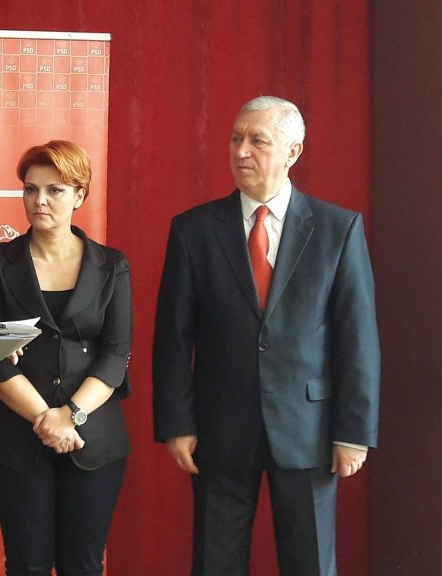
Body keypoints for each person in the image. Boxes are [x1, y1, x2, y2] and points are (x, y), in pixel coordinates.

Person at [152, 96, 380, 575]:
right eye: (236, 138)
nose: (241, 151)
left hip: (309, 429)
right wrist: (176, 422)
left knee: (310, 564)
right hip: (219, 428)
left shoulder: (338, 229)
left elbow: (357, 339)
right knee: (215, 563)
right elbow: (173, 338)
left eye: (258, 141)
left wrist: (354, 433)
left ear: (293, 151)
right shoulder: (194, 230)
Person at [0, 140, 131, 575]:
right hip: (15, 438)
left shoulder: (111, 266)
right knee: (27, 564)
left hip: (93, 437)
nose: (39, 200)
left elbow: (116, 354)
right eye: (31, 189)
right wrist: (47, 420)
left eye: (55, 190)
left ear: (80, 195)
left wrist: (71, 416)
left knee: (83, 564)